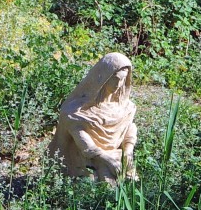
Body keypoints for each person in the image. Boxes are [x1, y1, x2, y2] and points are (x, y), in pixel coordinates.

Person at [48, 52, 138, 183]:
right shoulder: (77, 111)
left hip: (117, 155)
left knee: (131, 181)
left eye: (122, 79)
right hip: (90, 158)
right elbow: (85, 144)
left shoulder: (126, 108)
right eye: (115, 78)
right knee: (105, 179)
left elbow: (130, 127)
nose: (118, 84)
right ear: (104, 77)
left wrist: (128, 152)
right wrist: (107, 159)